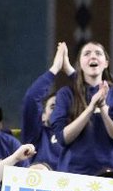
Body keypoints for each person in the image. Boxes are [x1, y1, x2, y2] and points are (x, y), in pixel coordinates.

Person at [49, 42, 113, 176]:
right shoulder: (66, 94)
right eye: (87, 54)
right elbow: (62, 138)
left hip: (109, 173)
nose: (93, 56)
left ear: (106, 63)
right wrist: (91, 108)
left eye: (98, 53)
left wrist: (102, 107)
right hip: (73, 172)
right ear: (80, 64)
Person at [21, 42, 74, 170]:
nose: (59, 111)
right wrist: (54, 69)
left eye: (64, 106)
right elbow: (31, 99)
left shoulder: (81, 135)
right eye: (53, 106)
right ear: (43, 116)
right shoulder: (36, 135)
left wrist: (70, 71)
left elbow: (96, 98)